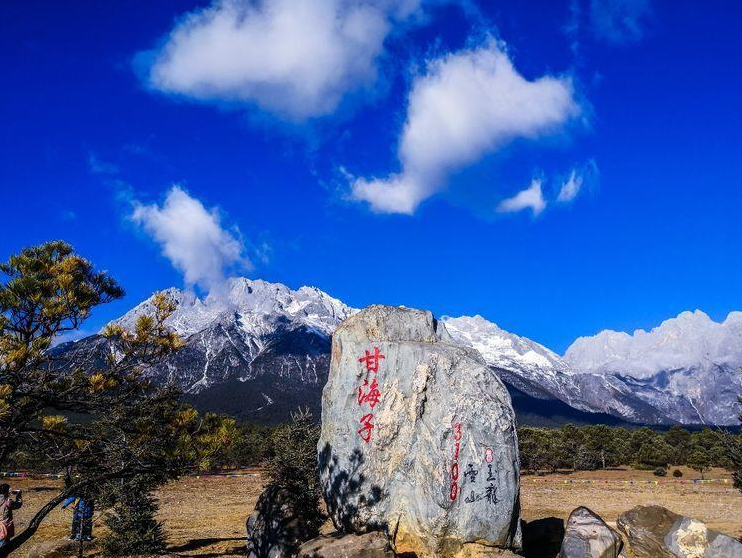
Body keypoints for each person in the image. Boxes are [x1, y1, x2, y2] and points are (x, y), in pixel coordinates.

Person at [0, 483, 22, 549]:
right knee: (3, 542)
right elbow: (18, 505)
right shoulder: (9, 501)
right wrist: (19, 495)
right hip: (5, 525)